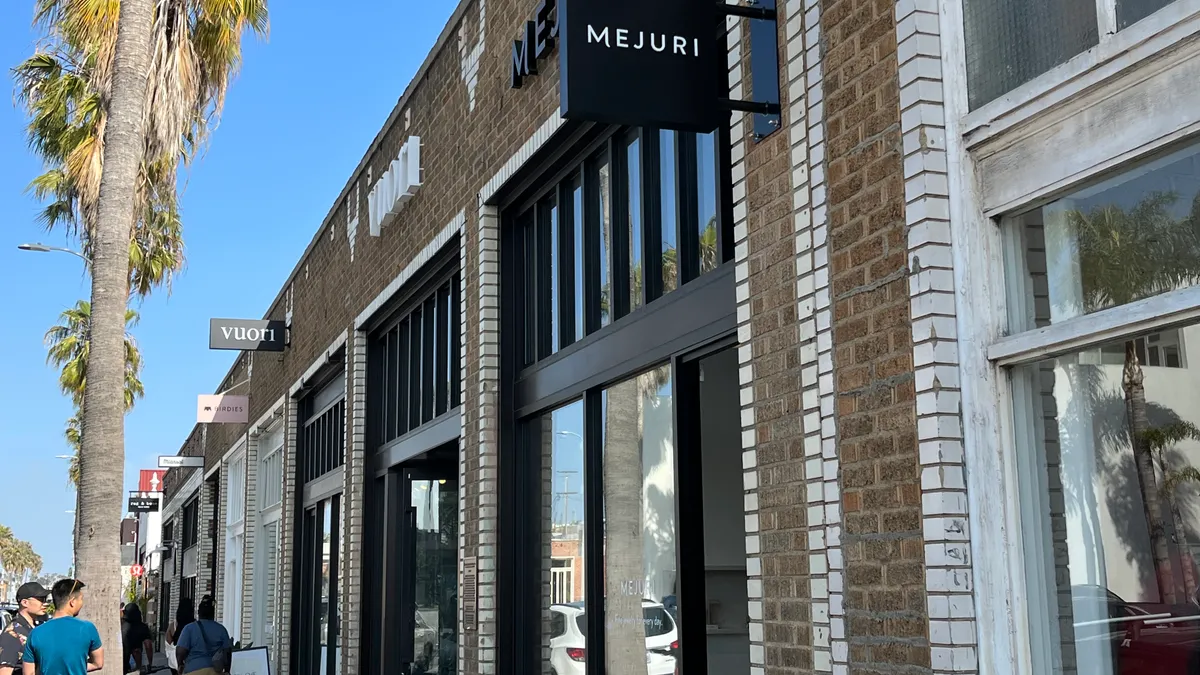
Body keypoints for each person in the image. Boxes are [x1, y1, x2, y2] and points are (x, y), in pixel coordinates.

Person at [20, 579, 103, 675]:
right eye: (81, 599)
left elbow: (28, 673)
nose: (82, 603)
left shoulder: (35, 633)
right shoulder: (87, 628)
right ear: (72, 602)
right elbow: (98, 663)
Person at [0, 583, 50, 675]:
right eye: (41, 599)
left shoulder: (34, 629)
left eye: (45, 599)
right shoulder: (12, 633)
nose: (45, 603)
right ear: (25, 602)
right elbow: (4, 672)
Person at [175, 596, 230, 675]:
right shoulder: (221, 629)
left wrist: (180, 665)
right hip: (215, 671)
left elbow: (180, 651)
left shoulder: (189, 628)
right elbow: (227, 652)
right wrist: (227, 671)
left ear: (198, 612)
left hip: (193, 670)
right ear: (213, 613)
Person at [121, 604, 154, 674]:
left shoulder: (121, 626)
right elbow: (148, 646)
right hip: (135, 661)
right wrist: (150, 663)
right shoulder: (142, 627)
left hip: (120, 661)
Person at [165, 598, 194, 675]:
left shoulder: (172, 626)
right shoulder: (195, 626)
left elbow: (168, 643)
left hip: (174, 661)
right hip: (191, 660)